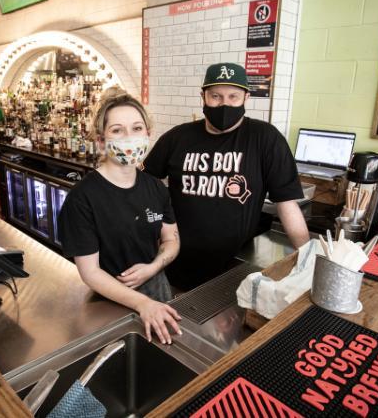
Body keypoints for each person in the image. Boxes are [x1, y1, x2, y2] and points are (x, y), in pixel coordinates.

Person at [143, 62, 310, 291]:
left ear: (246, 98)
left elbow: (286, 204)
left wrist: (308, 257)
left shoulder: (265, 139)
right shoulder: (177, 138)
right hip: (177, 262)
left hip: (236, 266)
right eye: (215, 96)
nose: (224, 104)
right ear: (203, 96)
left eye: (233, 96)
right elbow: (144, 187)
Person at [58, 88, 182, 344]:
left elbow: (171, 239)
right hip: (109, 301)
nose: (130, 137)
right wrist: (142, 303)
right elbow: (90, 272)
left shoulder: (156, 188)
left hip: (157, 291)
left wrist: (152, 268)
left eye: (137, 128)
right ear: (101, 141)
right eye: (117, 130)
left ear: (148, 134)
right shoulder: (83, 198)